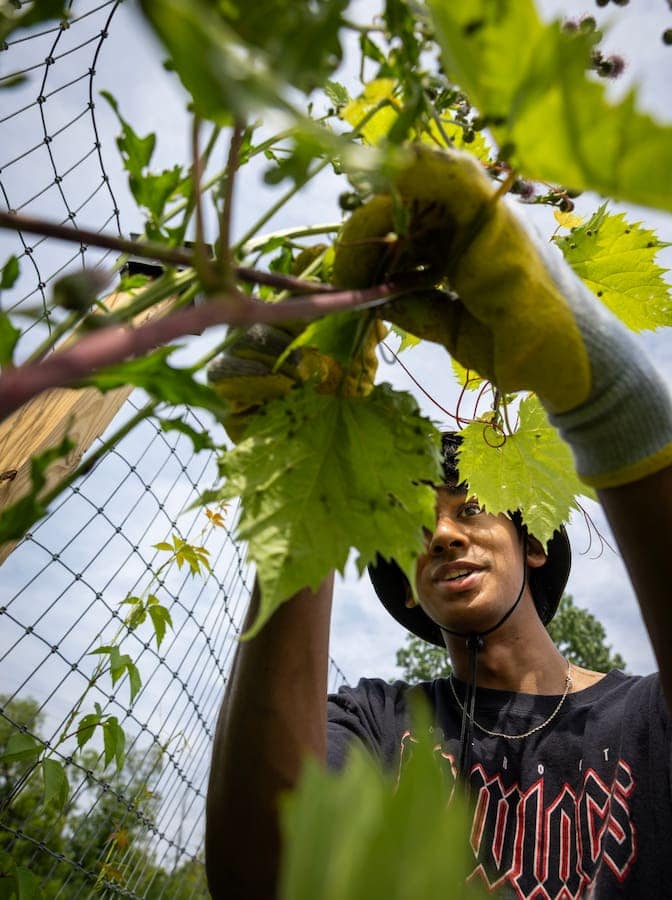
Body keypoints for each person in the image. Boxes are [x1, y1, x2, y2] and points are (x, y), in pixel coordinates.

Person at [204, 146, 672, 899]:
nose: (444, 535)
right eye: (416, 526)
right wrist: (304, 484)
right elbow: (267, 876)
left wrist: (609, 397)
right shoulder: (374, 723)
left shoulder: (645, 717)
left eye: (473, 508)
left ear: (539, 546)